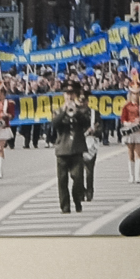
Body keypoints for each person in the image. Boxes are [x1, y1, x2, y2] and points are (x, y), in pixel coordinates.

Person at [53, 82, 92, 215]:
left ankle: (77, 200)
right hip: (62, 150)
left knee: (78, 179)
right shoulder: (58, 110)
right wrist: (65, 111)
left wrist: (77, 112)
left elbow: (86, 123)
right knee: (62, 180)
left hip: (76, 149)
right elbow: (54, 124)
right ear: (64, 95)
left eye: (71, 94)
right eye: (67, 94)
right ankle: (65, 207)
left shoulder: (81, 110)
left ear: (75, 95)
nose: (69, 97)